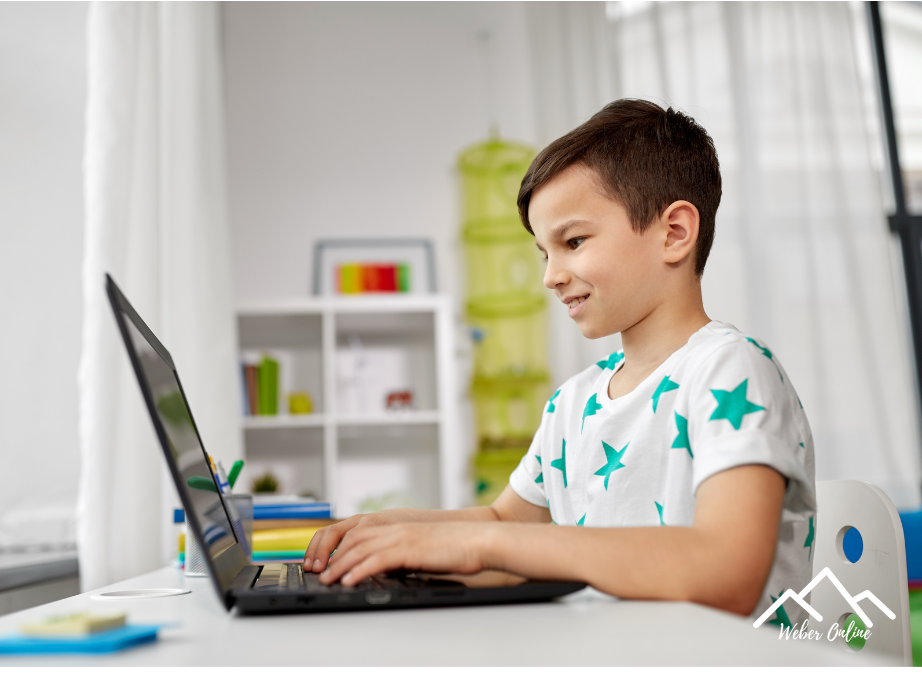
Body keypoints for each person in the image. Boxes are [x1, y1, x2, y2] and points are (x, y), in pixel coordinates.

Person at [304, 99, 815, 623]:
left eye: (573, 241)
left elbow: (726, 574)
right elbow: (504, 523)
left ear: (675, 233)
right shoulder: (573, 403)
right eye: (544, 255)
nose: (550, 276)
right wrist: (394, 530)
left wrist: (483, 544)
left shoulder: (731, 372)